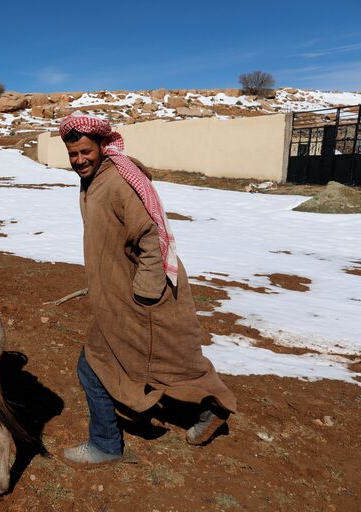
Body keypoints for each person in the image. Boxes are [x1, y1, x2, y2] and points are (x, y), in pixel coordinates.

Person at [59, 111, 237, 466]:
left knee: (97, 365)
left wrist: (143, 295)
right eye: (73, 154)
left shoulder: (119, 182)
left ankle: (107, 444)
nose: (79, 160)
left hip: (143, 299)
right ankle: (204, 410)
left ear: (102, 146)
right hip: (121, 297)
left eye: (85, 152)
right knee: (166, 361)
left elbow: (151, 237)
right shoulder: (96, 181)